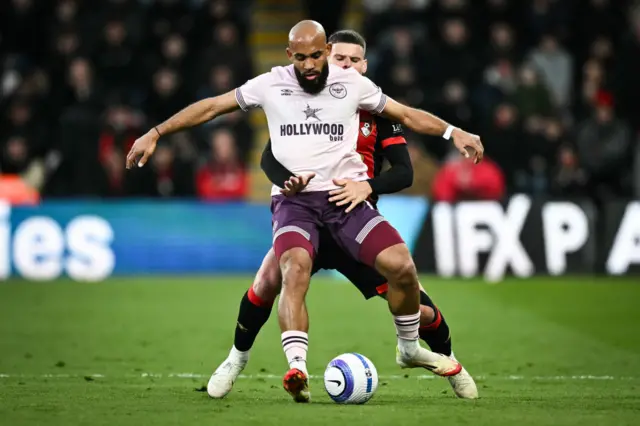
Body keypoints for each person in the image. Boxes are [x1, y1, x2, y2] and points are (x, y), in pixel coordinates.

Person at [126, 20, 484, 403]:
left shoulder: (360, 94)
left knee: (405, 271)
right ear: (289, 56)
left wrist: (453, 132)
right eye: (302, 57)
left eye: (319, 56)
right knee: (280, 275)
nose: (312, 64)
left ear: (332, 54)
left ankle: (414, 349)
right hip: (297, 206)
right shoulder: (271, 84)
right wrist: (157, 132)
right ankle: (266, 362)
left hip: (346, 207)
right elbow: (215, 108)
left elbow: (408, 123)